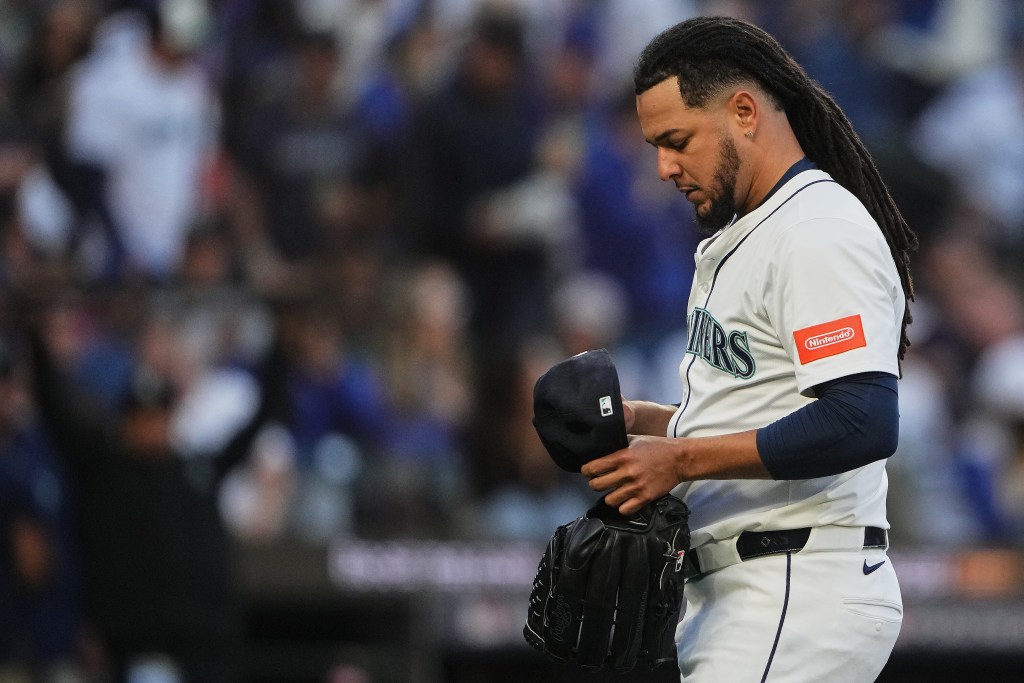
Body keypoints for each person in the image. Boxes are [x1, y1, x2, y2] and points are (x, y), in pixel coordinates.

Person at [576, 16, 917, 682]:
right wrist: (655, 422)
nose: (663, 167)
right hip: (752, 591)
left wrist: (678, 456)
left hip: (794, 584)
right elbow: (769, 404)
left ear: (743, 111)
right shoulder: (753, 230)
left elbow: (861, 419)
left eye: (676, 141)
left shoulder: (816, 228)